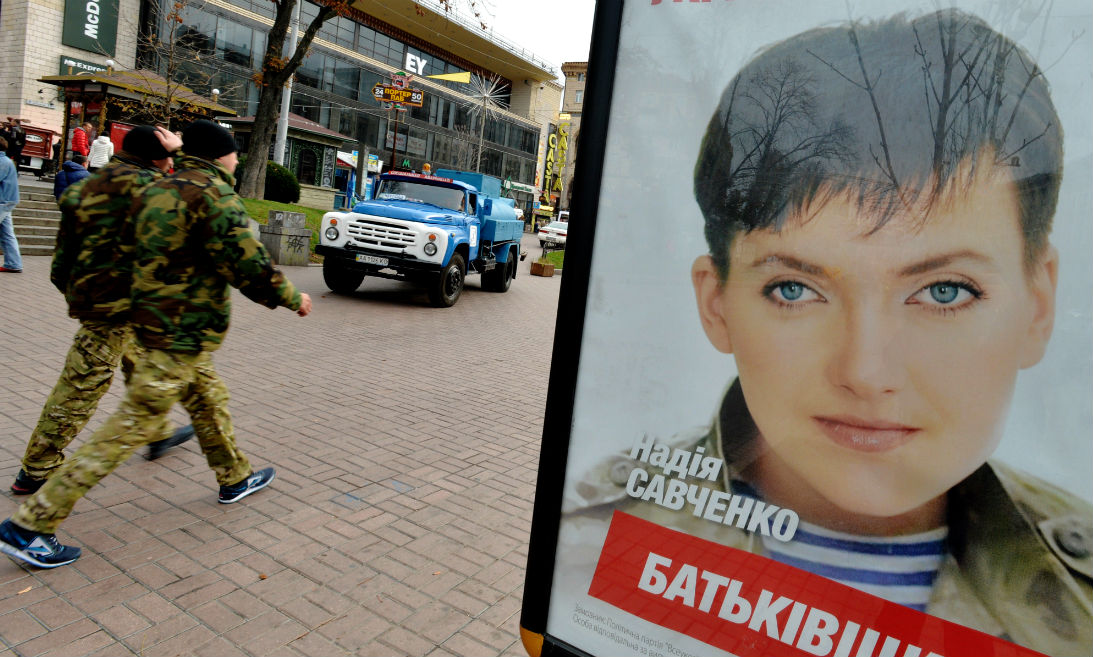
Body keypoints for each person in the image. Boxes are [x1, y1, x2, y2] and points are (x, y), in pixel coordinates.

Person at [566, 9, 1090, 656]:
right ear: (716, 304)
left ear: (1037, 307)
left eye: (944, 291)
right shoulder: (582, 543)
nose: (865, 371)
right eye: (794, 289)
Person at [0, 120, 312, 569]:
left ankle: (234, 475)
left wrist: (80, 294)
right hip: (164, 325)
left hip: (151, 321)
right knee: (123, 418)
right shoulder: (195, 193)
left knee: (205, 393)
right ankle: (32, 518)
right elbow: (248, 266)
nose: (238, 159)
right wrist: (290, 298)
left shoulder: (135, 188)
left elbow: (74, 257)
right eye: (233, 152)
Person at [8, 125, 197, 498]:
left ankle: (157, 433)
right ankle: (36, 468)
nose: (173, 159)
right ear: (158, 157)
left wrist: (76, 295)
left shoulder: (88, 186)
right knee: (80, 386)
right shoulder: (152, 189)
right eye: (170, 154)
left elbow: (61, 259)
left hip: (102, 303)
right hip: (118, 310)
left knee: (140, 366)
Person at [0, 136, 22, 273]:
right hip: (8, 200)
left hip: (2, 201)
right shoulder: (7, 161)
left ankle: (13, 263)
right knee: (7, 234)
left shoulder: (2, 161)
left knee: (7, 234)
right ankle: (13, 263)